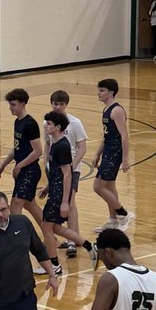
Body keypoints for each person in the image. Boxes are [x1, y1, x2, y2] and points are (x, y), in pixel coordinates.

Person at [39, 112, 95, 274]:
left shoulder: (62, 146)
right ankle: (89, 246)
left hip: (59, 193)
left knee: (46, 226)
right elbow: (57, 172)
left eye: (49, 123)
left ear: (58, 127)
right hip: (55, 189)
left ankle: (54, 265)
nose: (46, 126)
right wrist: (48, 187)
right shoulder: (56, 143)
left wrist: (65, 201)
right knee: (55, 227)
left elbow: (67, 173)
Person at [46, 90, 88, 256]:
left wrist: (72, 166)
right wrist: (46, 164)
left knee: (70, 202)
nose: (57, 107)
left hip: (71, 169)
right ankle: (75, 239)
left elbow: (82, 147)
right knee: (68, 203)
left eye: (61, 104)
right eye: (55, 103)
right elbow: (47, 144)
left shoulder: (75, 123)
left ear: (66, 105)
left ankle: (72, 241)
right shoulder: (48, 122)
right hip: (55, 168)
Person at [0, 88, 43, 226]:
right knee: (30, 204)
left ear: (22, 104)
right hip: (23, 170)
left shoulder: (30, 124)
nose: (10, 108)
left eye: (13, 105)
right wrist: (3, 166)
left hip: (30, 170)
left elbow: (38, 151)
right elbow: (17, 148)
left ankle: (17, 236)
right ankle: (52, 235)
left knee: (16, 204)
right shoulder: (18, 122)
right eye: (10, 104)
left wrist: (19, 165)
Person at [92, 78, 131, 228]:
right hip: (108, 151)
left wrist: (125, 158)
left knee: (98, 186)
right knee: (109, 187)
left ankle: (123, 214)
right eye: (99, 90)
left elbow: (124, 135)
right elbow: (106, 135)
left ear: (111, 92)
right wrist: (97, 154)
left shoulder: (117, 110)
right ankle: (113, 220)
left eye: (102, 90)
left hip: (115, 153)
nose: (99, 93)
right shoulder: (106, 109)